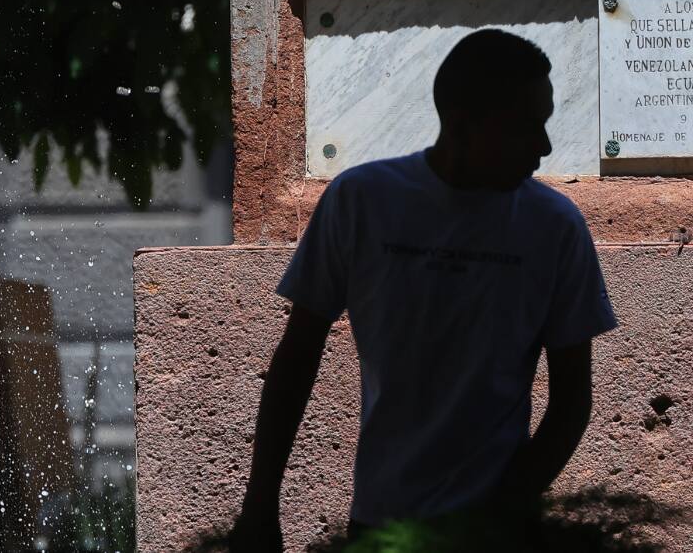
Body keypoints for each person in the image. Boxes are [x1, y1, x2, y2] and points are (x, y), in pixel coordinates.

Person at [230, 29, 618, 551]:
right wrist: (259, 506)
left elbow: (572, 400)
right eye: (527, 127)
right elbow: (297, 356)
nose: (544, 147)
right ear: (461, 124)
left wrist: (498, 513)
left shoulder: (555, 228)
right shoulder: (362, 202)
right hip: (382, 524)